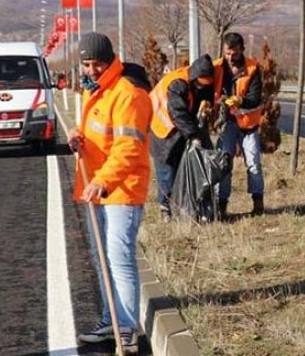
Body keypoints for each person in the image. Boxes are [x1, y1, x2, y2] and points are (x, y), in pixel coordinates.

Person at [69, 32, 152, 355]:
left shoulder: (128, 93)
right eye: (86, 64)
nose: (91, 70)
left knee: (119, 260)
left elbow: (129, 148)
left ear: (111, 59)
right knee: (103, 259)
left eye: (97, 63)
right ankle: (111, 322)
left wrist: (103, 180)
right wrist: (79, 137)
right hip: (99, 190)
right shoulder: (100, 92)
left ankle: (127, 329)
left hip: (121, 190)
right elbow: (101, 136)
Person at [149, 54, 217, 221]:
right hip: (160, 128)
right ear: (194, 78)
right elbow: (178, 113)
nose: (202, 88)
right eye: (200, 84)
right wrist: (193, 135)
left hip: (177, 129)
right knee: (167, 170)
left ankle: (182, 208)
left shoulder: (195, 84)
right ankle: (165, 208)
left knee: (180, 168)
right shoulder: (178, 84)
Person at [214, 32, 265, 217]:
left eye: (233, 54)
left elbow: (255, 97)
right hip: (227, 124)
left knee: (254, 164)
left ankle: (258, 204)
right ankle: (221, 205)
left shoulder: (253, 68)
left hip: (248, 124)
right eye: (227, 53)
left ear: (241, 50)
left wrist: (239, 101)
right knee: (224, 163)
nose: (230, 58)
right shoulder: (217, 67)